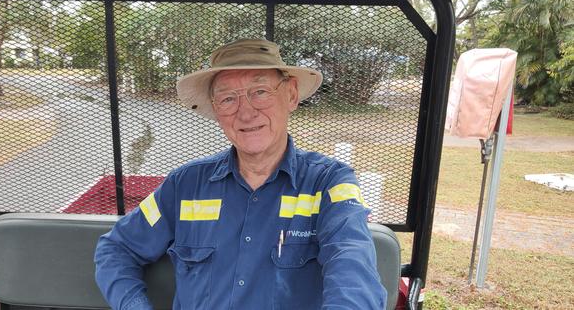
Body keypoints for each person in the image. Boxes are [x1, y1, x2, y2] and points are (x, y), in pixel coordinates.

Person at [94, 39, 387, 309]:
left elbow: (352, 269)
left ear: (291, 95)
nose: (246, 113)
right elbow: (116, 249)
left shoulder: (329, 184)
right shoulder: (185, 186)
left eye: (259, 92)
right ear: (216, 109)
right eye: (228, 99)